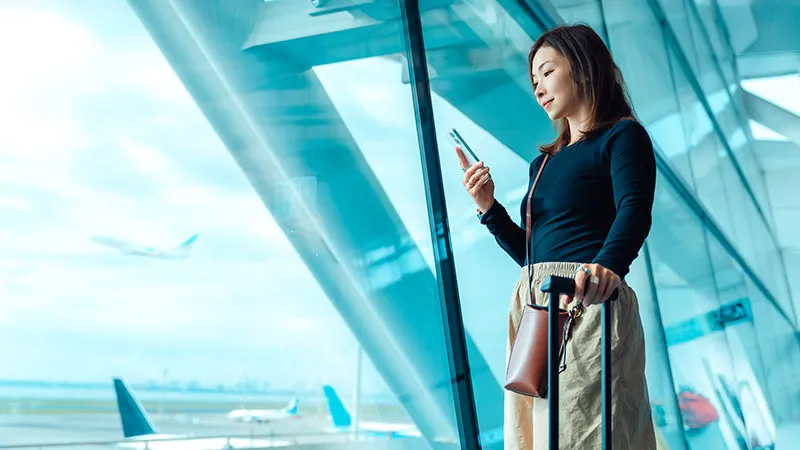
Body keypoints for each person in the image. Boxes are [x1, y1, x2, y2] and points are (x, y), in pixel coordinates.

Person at [456, 24, 657, 449]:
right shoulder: (542, 164)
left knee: (591, 430)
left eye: (547, 73)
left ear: (582, 67)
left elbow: (634, 211)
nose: (539, 89)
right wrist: (488, 208)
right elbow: (534, 254)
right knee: (536, 436)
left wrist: (608, 268)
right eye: (534, 81)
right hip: (536, 309)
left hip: (587, 304)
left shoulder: (622, 136)